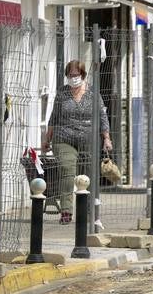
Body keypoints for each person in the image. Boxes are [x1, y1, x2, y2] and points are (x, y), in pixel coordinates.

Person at [43, 60, 111, 224]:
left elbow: (102, 116)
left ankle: (88, 208)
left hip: (88, 137)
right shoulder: (62, 93)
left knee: (88, 173)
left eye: (76, 75)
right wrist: (47, 138)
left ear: (83, 75)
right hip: (64, 137)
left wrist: (106, 138)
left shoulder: (93, 93)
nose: (73, 78)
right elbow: (54, 116)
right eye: (70, 75)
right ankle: (66, 211)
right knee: (67, 169)